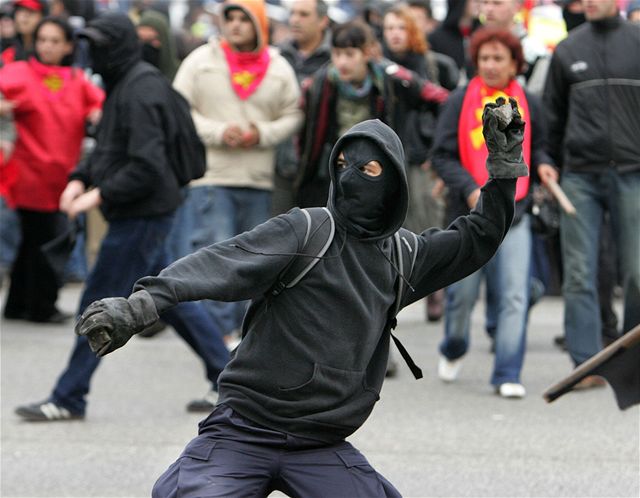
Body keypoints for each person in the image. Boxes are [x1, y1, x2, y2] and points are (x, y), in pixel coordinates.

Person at [75, 103, 527, 497]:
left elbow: (477, 237)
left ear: (392, 182)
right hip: (243, 429)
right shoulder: (306, 231)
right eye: (343, 165)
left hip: (321, 442)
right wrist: (139, 306)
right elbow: (218, 263)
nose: (351, 178)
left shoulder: (405, 257)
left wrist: (504, 171)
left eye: (368, 171)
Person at [14, 12, 229, 422]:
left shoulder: (138, 89)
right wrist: (81, 178)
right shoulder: (127, 83)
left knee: (99, 304)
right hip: (144, 213)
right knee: (169, 297)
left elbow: (145, 165)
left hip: (143, 215)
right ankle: (228, 377)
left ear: (118, 47)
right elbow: (113, 149)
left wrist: (96, 193)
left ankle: (69, 396)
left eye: (100, 45)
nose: (93, 53)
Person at [432, 28, 557, 398]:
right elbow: (442, 154)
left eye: (498, 58)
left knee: (515, 294)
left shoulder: (529, 103)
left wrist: (546, 166)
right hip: (467, 214)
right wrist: (469, 188)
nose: (489, 65)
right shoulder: (458, 101)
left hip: (514, 211)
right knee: (462, 296)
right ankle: (453, 346)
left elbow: (541, 148)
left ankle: (506, 372)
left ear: (514, 64)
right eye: (484, 58)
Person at [169, 0, 302, 344]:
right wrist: (217, 131)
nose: (236, 25)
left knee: (255, 262)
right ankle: (219, 341)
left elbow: (294, 113)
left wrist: (261, 133)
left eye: (245, 19)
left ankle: (247, 337)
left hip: (258, 179)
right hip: (212, 176)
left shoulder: (278, 66)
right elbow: (178, 109)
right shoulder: (200, 61)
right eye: (230, 18)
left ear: (259, 24)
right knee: (217, 259)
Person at [543, 0, 640, 388]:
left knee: (637, 272)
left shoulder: (637, 42)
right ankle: (585, 364)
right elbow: (551, 116)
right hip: (579, 176)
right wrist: (546, 159)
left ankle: (632, 363)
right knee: (580, 273)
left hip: (633, 172)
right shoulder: (567, 49)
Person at [0, 16, 103, 323]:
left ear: (68, 46)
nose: (46, 46)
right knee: (47, 241)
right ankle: (42, 305)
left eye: (55, 41)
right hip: (29, 175)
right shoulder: (19, 72)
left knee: (35, 242)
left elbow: (100, 108)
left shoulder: (76, 80)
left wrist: (99, 115)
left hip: (63, 178)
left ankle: (19, 303)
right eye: (42, 39)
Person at [295, 20, 448, 209]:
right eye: (337, 54)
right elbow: (305, 137)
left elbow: (442, 99)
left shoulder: (392, 79)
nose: (342, 62)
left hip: (378, 173)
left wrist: (434, 148)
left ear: (366, 53)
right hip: (331, 173)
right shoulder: (319, 84)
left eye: (350, 54)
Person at [381, 4, 447, 322]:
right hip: (387, 153)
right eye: (389, 27)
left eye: (400, 27)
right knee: (392, 224)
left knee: (427, 221)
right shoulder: (377, 64)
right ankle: (394, 289)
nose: (394, 33)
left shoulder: (430, 64)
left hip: (421, 153)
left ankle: (434, 290)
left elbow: (445, 105)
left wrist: (438, 153)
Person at [272, 0, 331, 215]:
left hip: (322, 171)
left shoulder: (337, 58)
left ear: (323, 20)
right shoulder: (276, 56)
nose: (295, 20)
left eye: (304, 14)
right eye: (293, 13)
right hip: (280, 166)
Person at [0, 0, 46, 66]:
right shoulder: (7, 47)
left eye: (31, 11)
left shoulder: (46, 49)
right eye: (20, 11)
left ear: (42, 16)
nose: (25, 16)